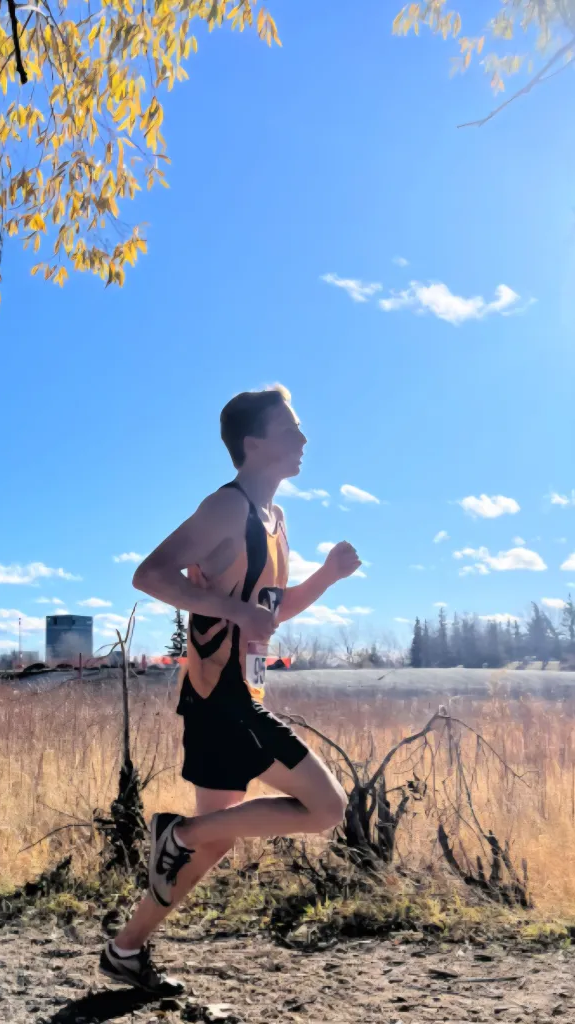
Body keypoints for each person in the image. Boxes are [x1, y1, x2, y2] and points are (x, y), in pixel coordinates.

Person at [99, 384, 362, 995]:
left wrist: (326, 576)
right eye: (290, 429)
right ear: (254, 443)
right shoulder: (226, 508)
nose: (304, 439)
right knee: (326, 809)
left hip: (240, 694)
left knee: (213, 843)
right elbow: (149, 574)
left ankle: (125, 949)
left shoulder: (276, 520)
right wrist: (232, 610)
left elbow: (270, 610)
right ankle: (177, 835)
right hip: (221, 698)